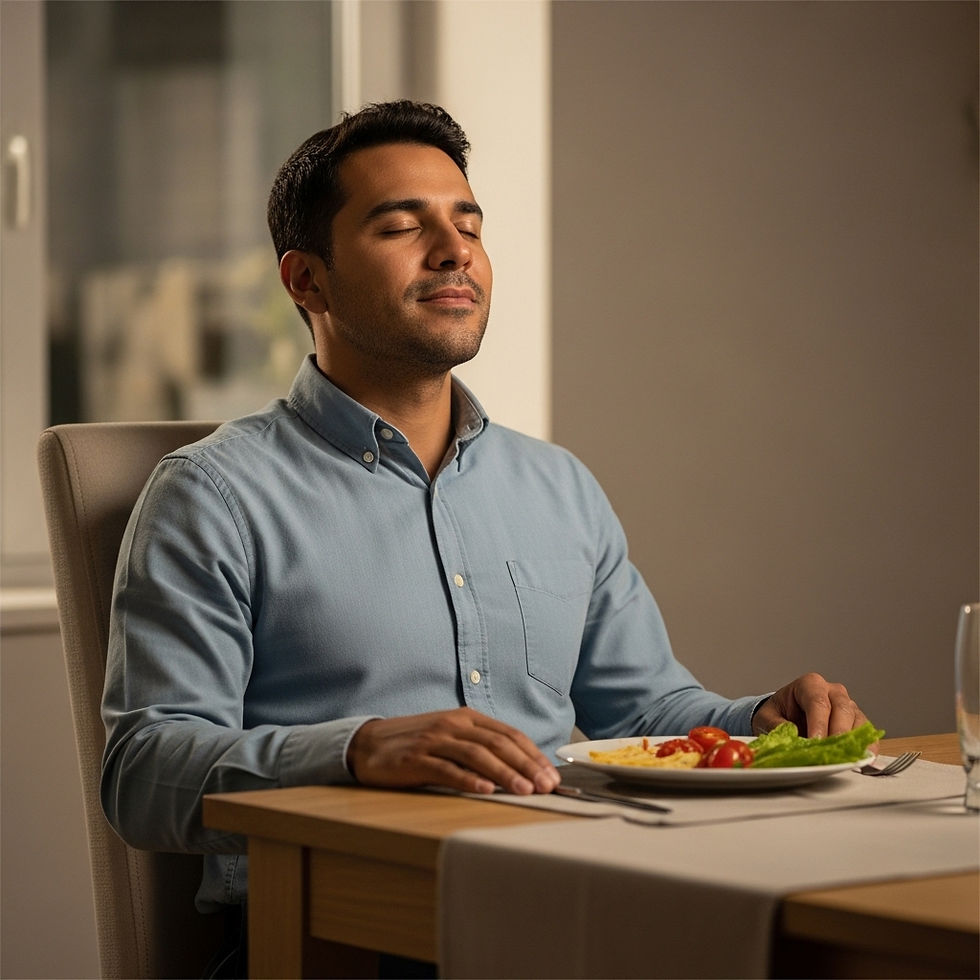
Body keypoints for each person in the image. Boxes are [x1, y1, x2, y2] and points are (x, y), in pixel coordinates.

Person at [101, 101, 868, 919]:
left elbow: (643, 712)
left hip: (567, 902)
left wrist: (759, 723)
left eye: (469, 224)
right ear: (305, 279)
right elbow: (144, 776)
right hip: (347, 940)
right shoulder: (210, 494)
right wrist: (357, 750)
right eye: (402, 227)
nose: (454, 250)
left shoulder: (559, 485)